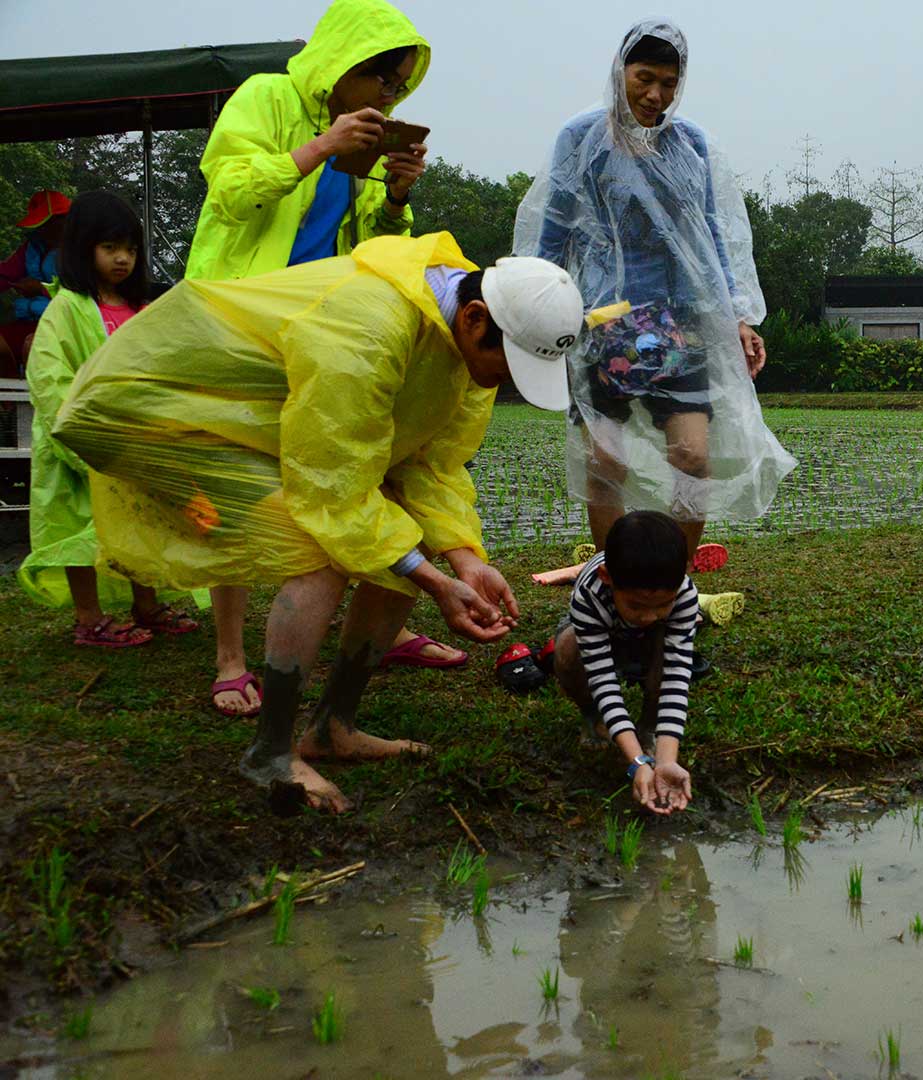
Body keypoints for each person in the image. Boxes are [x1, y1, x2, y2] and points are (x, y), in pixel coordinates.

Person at [54, 232, 585, 812]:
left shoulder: (465, 340)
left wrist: (464, 557)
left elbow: (430, 465)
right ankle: (271, 754)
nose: (506, 381)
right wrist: (435, 584)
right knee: (319, 548)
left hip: (250, 419)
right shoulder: (365, 328)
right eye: (508, 364)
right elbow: (332, 490)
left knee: (394, 534)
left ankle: (333, 727)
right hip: (146, 412)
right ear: (476, 317)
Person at [185, 0, 447, 718]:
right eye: (382, 80)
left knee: (353, 468)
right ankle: (231, 655)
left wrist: (394, 196)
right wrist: (319, 147)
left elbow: (373, 244)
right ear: (343, 65)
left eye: (398, 87)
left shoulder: (359, 143)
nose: (389, 97)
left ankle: (374, 626)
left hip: (315, 328)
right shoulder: (268, 97)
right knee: (236, 479)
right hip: (240, 318)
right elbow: (230, 191)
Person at [513, 20, 796, 570]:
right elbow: (552, 234)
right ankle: (612, 579)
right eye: (645, 78)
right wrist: (538, 312)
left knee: (692, 456)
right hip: (601, 323)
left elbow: (711, 238)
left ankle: (672, 586)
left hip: (680, 323)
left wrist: (738, 317)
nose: (655, 95)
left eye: (669, 83)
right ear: (621, 73)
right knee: (606, 460)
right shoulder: (581, 137)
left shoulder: (689, 144)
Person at [18, 192, 201, 644]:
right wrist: (80, 434)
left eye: (131, 249)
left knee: (138, 523)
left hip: (132, 439)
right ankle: (89, 618)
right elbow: (49, 376)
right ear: (83, 248)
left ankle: (148, 603)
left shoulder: (136, 306)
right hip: (79, 442)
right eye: (110, 248)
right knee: (78, 528)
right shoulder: (67, 308)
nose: (123, 259)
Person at [550, 510, 699, 816]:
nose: (647, 614)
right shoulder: (589, 596)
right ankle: (594, 717)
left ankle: (649, 725)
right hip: (604, 634)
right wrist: (637, 763)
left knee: (665, 664)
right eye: (636, 605)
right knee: (567, 650)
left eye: (663, 604)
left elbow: (676, 674)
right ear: (607, 577)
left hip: (651, 641)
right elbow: (602, 678)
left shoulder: (683, 594)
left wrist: (666, 760)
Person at [0, 190, 71, 376]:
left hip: (66, 326)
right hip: (27, 322)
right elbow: (5, 274)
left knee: (34, 345)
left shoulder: (82, 251)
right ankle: (9, 400)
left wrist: (40, 288)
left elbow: (86, 294)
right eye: (40, 224)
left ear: (66, 219)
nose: (42, 229)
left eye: (48, 223)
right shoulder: (31, 247)